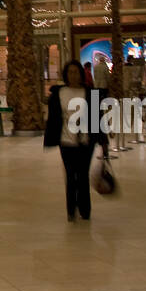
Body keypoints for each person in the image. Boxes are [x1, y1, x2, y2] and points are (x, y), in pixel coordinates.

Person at [44, 59, 108, 222]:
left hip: (85, 141)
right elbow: (53, 119)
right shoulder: (59, 93)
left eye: (76, 72)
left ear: (81, 74)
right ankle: (71, 209)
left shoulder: (90, 93)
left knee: (83, 175)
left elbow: (97, 119)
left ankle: (85, 209)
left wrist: (103, 140)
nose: (73, 76)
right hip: (66, 141)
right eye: (70, 72)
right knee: (71, 175)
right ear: (66, 75)